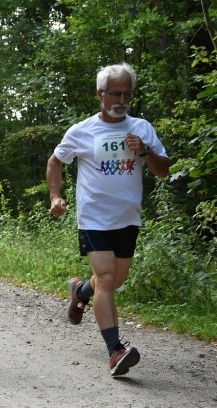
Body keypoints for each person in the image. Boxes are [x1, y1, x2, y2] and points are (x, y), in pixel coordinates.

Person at [46, 62, 170, 377]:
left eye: (127, 94)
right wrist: (55, 197)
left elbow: (164, 171)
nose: (121, 100)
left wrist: (143, 152)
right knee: (107, 279)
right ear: (100, 94)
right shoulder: (82, 130)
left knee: (115, 281)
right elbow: (55, 162)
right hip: (94, 218)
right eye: (115, 93)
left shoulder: (142, 129)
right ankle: (115, 350)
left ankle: (80, 292)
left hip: (128, 218)